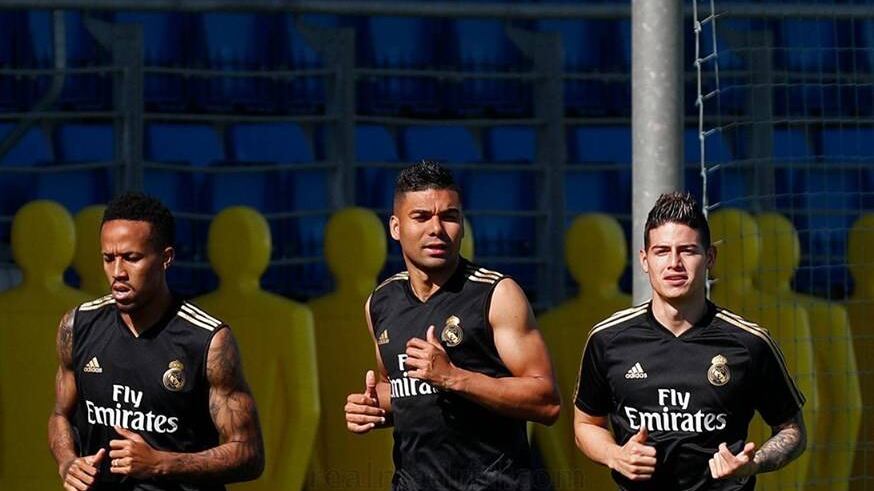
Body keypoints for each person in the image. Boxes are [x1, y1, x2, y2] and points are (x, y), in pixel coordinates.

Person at [344, 161, 561, 490]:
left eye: (449, 216)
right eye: (421, 217)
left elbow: (547, 401)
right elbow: (400, 390)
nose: (436, 229)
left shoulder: (496, 294)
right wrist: (372, 408)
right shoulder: (380, 302)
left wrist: (454, 377)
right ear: (395, 227)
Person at [573, 192, 807, 490]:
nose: (674, 263)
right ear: (644, 260)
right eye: (661, 251)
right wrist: (615, 455)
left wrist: (754, 463)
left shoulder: (749, 343)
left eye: (687, 251)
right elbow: (586, 424)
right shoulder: (608, 339)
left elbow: (792, 430)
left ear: (710, 258)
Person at [48, 192, 264, 491]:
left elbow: (249, 454)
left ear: (166, 258)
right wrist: (67, 462)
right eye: (108, 259)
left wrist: (162, 463)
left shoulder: (207, 341)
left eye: (132, 258)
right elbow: (60, 415)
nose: (118, 273)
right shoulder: (78, 326)